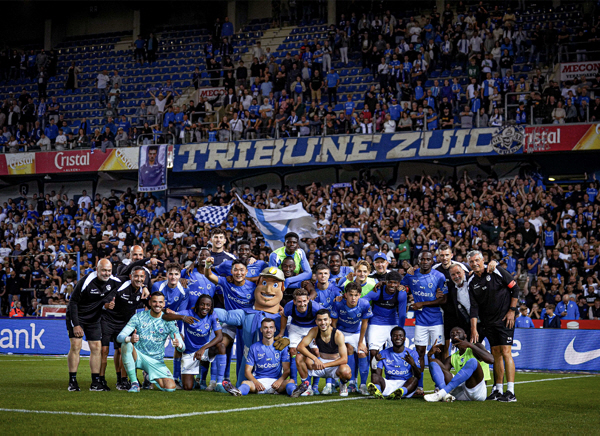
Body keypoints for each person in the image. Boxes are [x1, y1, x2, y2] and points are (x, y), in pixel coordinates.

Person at [468, 250, 520, 402]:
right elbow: (474, 308)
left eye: (477, 260)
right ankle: (498, 389)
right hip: (488, 322)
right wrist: (474, 328)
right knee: (496, 353)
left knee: (506, 351)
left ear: (483, 259)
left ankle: (510, 392)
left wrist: (512, 311)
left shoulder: (496, 270)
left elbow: (515, 288)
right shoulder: (472, 281)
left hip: (505, 319)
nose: (475, 263)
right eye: (471, 262)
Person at [66, 259, 121, 392]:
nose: (106, 273)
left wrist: (107, 303)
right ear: (97, 269)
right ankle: (72, 381)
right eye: (103, 270)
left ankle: (95, 382)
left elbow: (124, 286)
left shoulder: (114, 282)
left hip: (94, 318)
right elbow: (73, 302)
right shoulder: (86, 281)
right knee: (76, 346)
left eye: (109, 270)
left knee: (97, 348)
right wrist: (76, 324)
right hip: (77, 316)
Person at [117, 291, 185, 392]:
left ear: (164, 304)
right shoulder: (139, 317)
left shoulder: (169, 320)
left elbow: (183, 346)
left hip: (156, 361)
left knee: (170, 388)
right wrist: (129, 339)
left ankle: (148, 377)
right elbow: (119, 337)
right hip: (138, 356)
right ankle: (134, 383)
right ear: (149, 303)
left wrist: (178, 344)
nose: (157, 304)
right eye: (154, 302)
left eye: (160, 302)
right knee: (125, 344)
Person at [401, 250, 448, 395]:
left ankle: (438, 385)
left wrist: (423, 304)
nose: (425, 262)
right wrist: (404, 267)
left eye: (428, 259)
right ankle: (419, 386)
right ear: (419, 261)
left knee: (438, 353)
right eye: (422, 259)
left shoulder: (439, 276)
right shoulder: (412, 275)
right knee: (420, 353)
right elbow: (401, 286)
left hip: (436, 321)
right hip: (420, 321)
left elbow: (444, 299)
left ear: (432, 261)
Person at [99, 266, 149, 391]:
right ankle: (100, 380)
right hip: (108, 320)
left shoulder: (143, 290)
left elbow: (147, 305)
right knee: (104, 351)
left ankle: (122, 380)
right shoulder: (121, 285)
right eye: (136, 276)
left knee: (124, 350)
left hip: (124, 323)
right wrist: (107, 304)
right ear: (131, 276)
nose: (139, 279)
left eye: (142, 276)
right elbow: (105, 297)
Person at [163, 294, 226, 391]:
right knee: (188, 387)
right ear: (197, 305)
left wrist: (203, 348)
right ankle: (191, 380)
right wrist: (182, 318)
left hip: (203, 350)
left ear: (211, 306)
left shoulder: (212, 315)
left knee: (221, 346)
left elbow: (220, 336)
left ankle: (218, 384)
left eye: (208, 305)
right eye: (202, 304)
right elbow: (165, 316)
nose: (205, 307)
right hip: (189, 353)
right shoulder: (188, 313)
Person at [227, 318, 297, 396]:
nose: (268, 330)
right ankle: (238, 392)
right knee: (245, 383)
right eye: (265, 327)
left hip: (276, 383)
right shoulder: (254, 347)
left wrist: (279, 381)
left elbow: (287, 370)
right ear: (261, 330)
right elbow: (247, 371)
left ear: (274, 329)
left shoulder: (281, 347)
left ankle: (294, 392)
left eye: (271, 327)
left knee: (290, 381)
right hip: (259, 382)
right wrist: (256, 382)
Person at [424, 327, 494, 402]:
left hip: (477, 392)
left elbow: (491, 360)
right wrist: (429, 356)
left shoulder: (476, 347)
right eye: (452, 334)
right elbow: (438, 376)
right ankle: (445, 395)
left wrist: (470, 345)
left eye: (458, 332)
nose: (454, 334)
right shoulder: (452, 357)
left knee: (473, 361)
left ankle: (441, 393)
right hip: (461, 393)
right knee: (435, 362)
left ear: (465, 335)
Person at [294, 309, 352, 397]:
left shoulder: (338, 335)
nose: (322, 322)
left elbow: (344, 359)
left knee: (346, 372)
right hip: (319, 363)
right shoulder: (314, 331)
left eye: (325, 319)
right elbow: (300, 347)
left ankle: (343, 385)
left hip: (334, 367)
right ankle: (307, 387)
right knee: (299, 357)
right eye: (320, 320)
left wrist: (325, 365)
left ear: (330, 321)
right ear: (316, 321)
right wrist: (315, 359)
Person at [277, 288, 324, 395]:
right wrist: (281, 332)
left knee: (316, 352)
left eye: (304, 301)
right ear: (294, 302)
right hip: (296, 327)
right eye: (299, 301)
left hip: (312, 328)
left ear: (308, 300)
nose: (302, 304)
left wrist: (320, 336)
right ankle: (295, 382)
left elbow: (324, 318)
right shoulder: (289, 306)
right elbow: (284, 315)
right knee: (293, 350)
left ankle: (315, 386)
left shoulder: (315, 307)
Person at [151, 263, 189, 387]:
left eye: (176, 274)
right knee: (152, 347)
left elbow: (181, 312)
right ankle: (150, 378)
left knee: (179, 346)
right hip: (157, 319)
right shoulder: (158, 286)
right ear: (166, 274)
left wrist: (172, 313)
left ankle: (176, 378)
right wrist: (164, 311)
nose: (173, 277)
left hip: (174, 320)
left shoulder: (184, 291)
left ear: (180, 275)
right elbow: (153, 305)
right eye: (171, 273)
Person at [330, 282, 372, 394]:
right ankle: (351, 383)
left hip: (356, 332)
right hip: (341, 331)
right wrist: (335, 337)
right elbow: (333, 322)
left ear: (359, 295)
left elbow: (364, 324)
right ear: (346, 295)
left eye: (356, 295)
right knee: (347, 349)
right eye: (351, 295)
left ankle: (363, 385)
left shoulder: (364, 304)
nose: (353, 298)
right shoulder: (338, 304)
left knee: (362, 353)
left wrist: (361, 342)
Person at [362, 271, 407, 364]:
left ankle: (395, 376)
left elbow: (402, 314)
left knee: (397, 353)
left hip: (393, 323)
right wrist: (367, 311)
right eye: (390, 282)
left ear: (399, 284)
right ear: (385, 282)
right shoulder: (377, 291)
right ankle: (375, 376)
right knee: (374, 352)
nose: (392, 285)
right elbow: (363, 301)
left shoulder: (401, 293)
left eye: (395, 283)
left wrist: (400, 330)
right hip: (376, 323)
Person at [367, 326, 421, 399]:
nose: (398, 338)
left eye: (400, 336)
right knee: (374, 376)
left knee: (414, 380)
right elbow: (377, 374)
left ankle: (401, 392)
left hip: (406, 384)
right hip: (389, 383)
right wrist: (375, 362)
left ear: (404, 338)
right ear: (391, 338)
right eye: (395, 336)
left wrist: (413, 364)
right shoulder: (383, 353)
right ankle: (378, 393)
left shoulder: (412, 353)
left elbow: (418, 376)